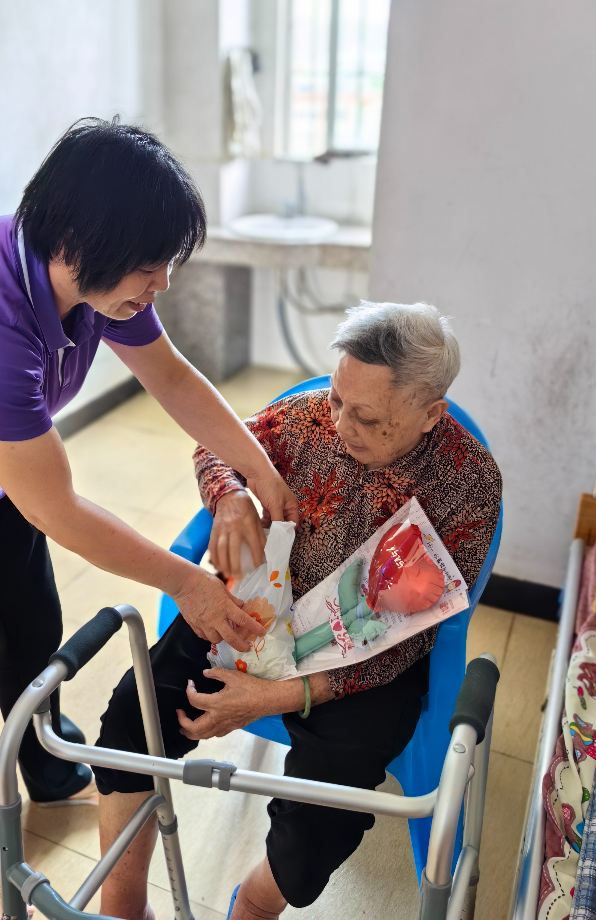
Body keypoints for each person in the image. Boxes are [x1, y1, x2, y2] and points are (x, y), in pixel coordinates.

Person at [0, 119, 298, 920]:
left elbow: (171, 378)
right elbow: (55, 506)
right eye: (151, 267)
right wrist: (185, 582)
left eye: (168, 263)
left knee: (32, 623)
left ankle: (49, 770)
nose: (162, 284)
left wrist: (259, 468)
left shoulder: (95, 279)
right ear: (78, 242)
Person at [93, 301, 502, 920]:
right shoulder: (308, 419)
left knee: (319, 823)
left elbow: (412, 636)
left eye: (366, 416)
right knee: (134, 714)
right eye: (337, 398)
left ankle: (255, 904)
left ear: (431, 415)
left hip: (370, 659)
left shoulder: (467, 484)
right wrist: (230, 498)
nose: (339, 424)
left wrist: (275, 697)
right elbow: (216, 445)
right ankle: (121, 907)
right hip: (263, 610)